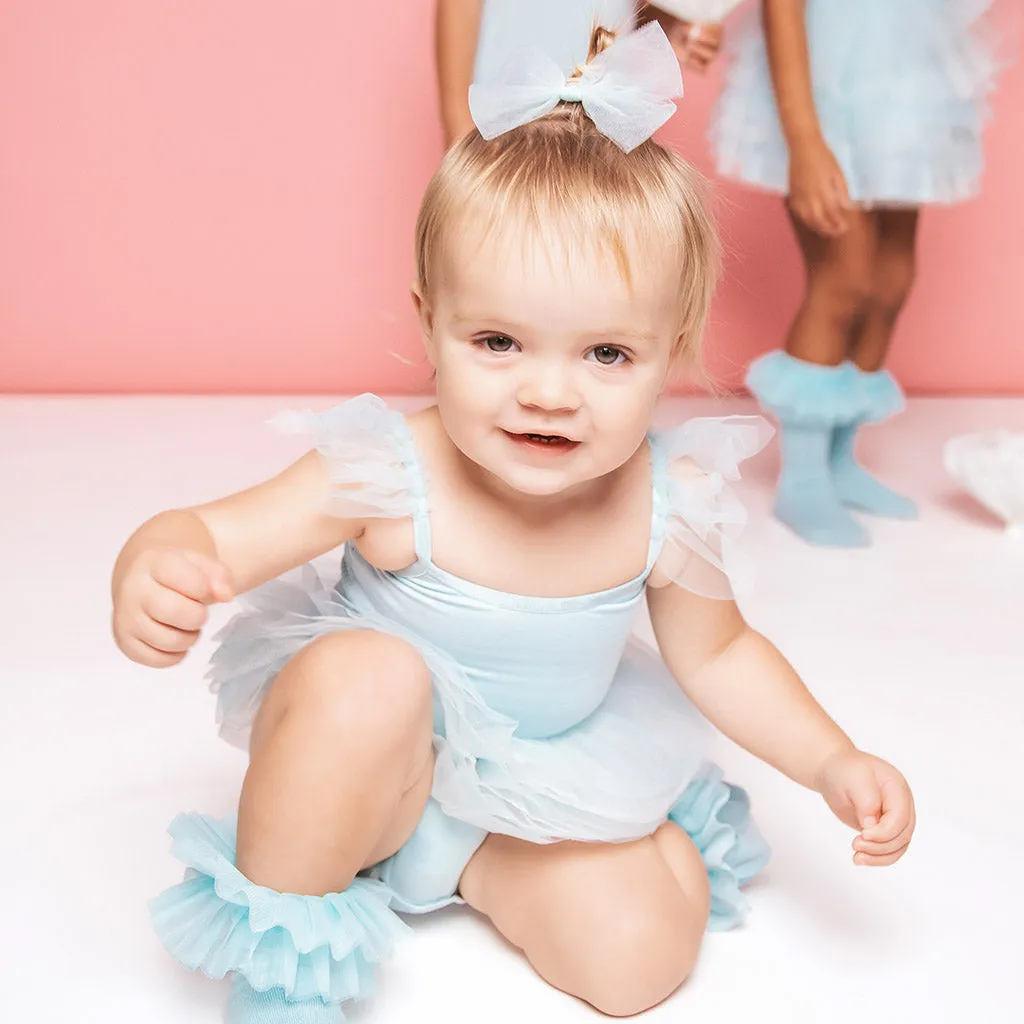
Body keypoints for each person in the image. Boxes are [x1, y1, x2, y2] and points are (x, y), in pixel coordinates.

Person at [112, 23, 915, 1024]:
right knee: (368, 677)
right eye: (498, 340)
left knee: (640, 961)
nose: (547, 393)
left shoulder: (670, 501)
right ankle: (291, 952)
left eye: (605, 356)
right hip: (360, 769)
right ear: (428, 324)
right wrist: (161, 563)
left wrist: (833, 758)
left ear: (671, 351)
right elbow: (216, 535)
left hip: (521, 788)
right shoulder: (392, 471)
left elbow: (722, 656)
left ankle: (462, 861)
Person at [712, 0, 1005, 546]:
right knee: (843, 277)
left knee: (891, 277)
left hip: (904, 85)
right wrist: (803, 140)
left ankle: (839, 458)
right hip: (827, 93)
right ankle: (802, 478)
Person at [436, 0, 725, 147]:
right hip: (505, 113)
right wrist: (458, 123)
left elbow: (630, 10)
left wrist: (670, 31)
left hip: (601, 120)